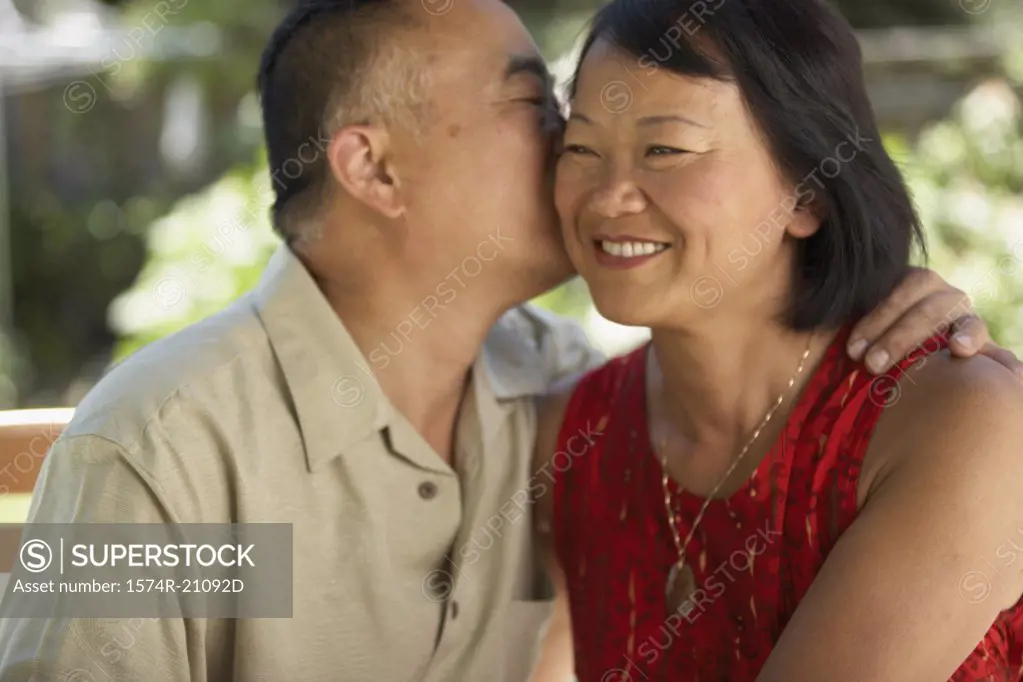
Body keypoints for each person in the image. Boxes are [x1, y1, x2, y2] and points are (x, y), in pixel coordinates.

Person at [0, 0, 1016, 681]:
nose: (584, 168)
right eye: (544, 114)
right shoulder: (151, 446)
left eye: (655, 143)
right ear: (373, 169)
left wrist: (897, 301)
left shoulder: (561, 396)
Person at [534, 0, 1023, 680]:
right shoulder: (570, 435)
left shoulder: (950, 420)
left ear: (808, 193)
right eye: (580, 148)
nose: (609, 195)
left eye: (664, 149)